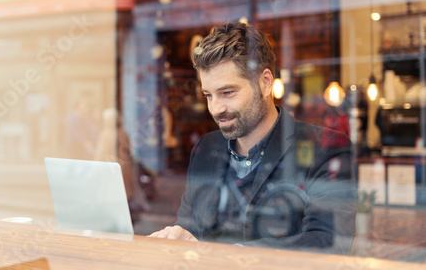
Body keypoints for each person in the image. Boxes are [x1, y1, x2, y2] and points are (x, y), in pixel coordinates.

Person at [149, 22, 356, 255]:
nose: (216, 109)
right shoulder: (206, 148)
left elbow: (328, 242)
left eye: (228, 93)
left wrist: (231, 254)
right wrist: (181, 233)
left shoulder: (326, 149)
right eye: (208, 95)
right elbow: (192, 225)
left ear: (265, 82)